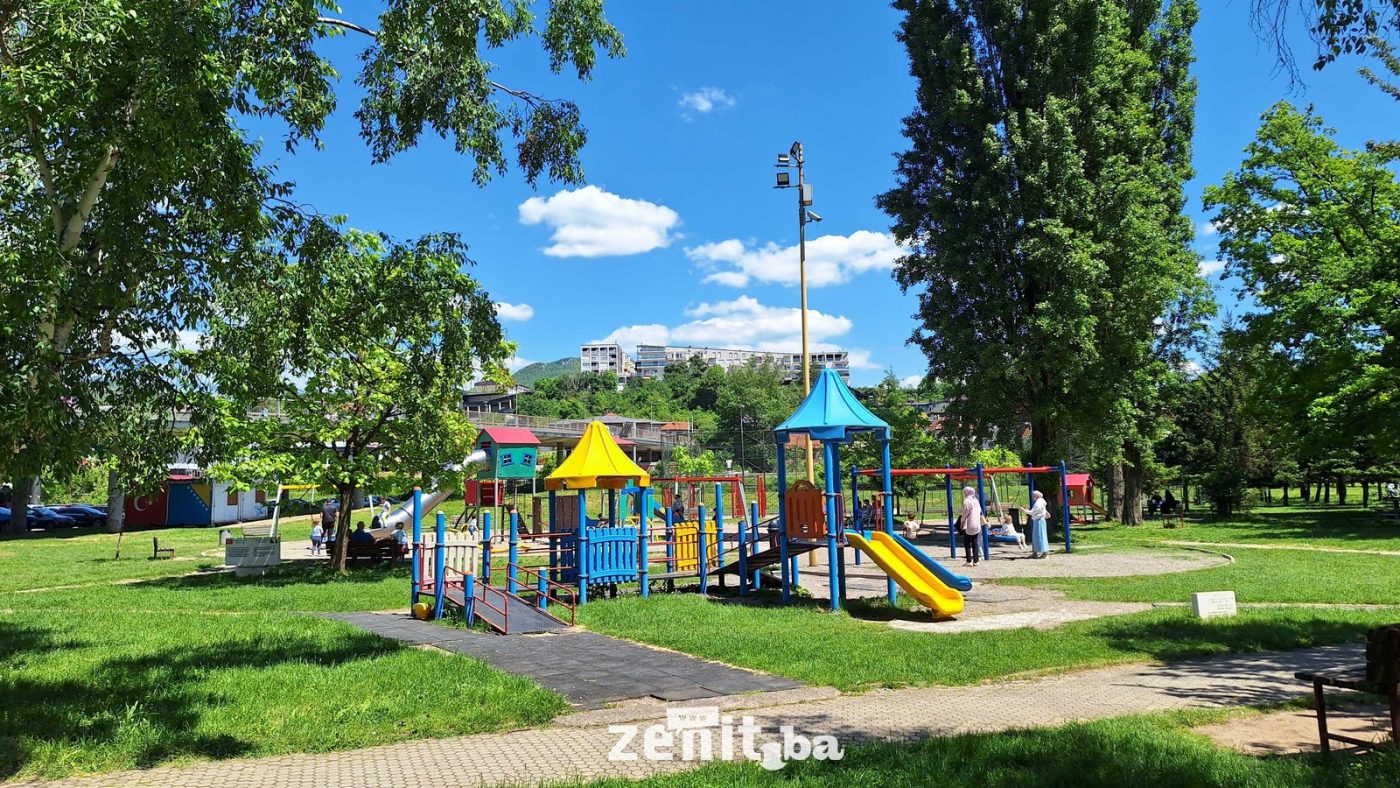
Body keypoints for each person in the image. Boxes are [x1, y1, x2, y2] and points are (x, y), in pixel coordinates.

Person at [1023, 491, 1050, 558]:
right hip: (1039, 520)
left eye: (1033, 495)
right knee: (1038, 536)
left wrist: (1024, 510)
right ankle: (1036, 552)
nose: (1032, 496)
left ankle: (1044, 553)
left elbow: (1033, 512)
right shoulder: (1041, 502)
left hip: (1039, 520)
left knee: (1040, 537)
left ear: (1036, 496)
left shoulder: (1038, 503)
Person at [960, 486, 983, 565]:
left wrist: (962, 521)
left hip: (969, 524)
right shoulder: (976, 500)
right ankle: (976, 561)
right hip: (977, 523)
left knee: (967, 543)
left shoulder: (967, 501)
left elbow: (965, 513)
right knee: (975, 542)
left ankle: (969, 560)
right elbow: (980, 510)